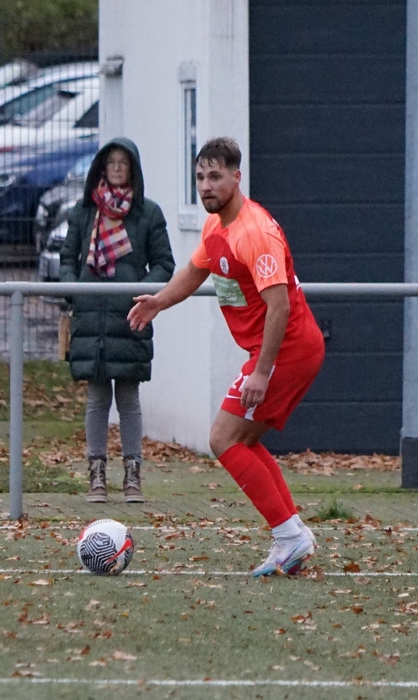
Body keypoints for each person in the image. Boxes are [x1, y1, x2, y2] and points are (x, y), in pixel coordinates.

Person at [128, 137, 325, 576]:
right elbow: (194, 271)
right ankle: (292, 533)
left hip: (288, 349)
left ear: (237, 178)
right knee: (242, 440)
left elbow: (280, 307)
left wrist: (262, 371)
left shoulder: (254, 232)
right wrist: (160, 301)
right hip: (279, 350)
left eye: (215, 176)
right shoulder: (216, 227)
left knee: (222, 438)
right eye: (200, 177)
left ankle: (289, 535)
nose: (206, 186)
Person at [59, 137, 175, 503]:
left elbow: (164, 264)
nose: (117, 168)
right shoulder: (83, 213)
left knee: (128, 397)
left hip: (131, 317)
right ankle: (96, 475)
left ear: (133, 169)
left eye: (124, 162)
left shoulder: (148, 214)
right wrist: (75, 290)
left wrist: (140, 293)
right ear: (101, 167)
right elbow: (66, 260)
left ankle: (132, 476)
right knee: (96, 399)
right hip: (90, 318)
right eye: (111, 162)